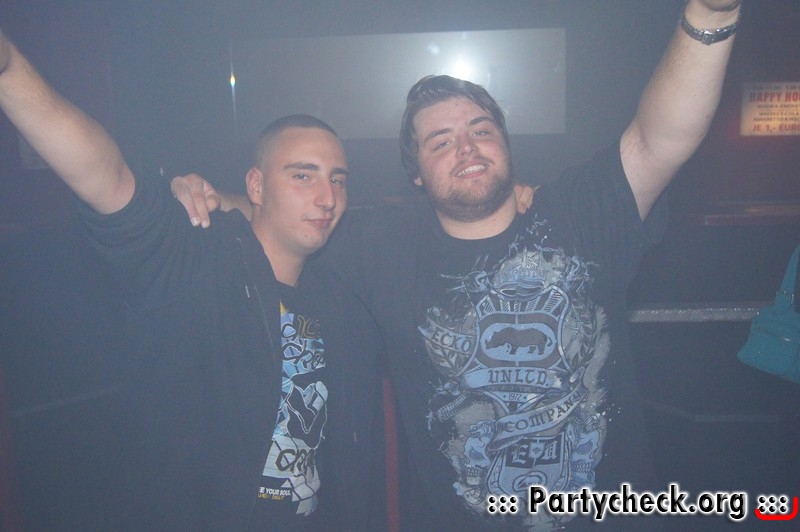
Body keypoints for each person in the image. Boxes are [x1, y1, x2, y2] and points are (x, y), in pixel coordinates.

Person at [177, 1, 743, 529]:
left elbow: (660, 138)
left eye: (480, 130)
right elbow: (294, 215)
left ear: (506, 144)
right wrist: (209, 199)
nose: (466, 147)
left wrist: (710, 12)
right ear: (416, 174)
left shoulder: (578, 215)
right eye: (441, 142)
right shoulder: (383, 248)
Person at [0, 30, 385, 530]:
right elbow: (105, 176)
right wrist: (11, 70)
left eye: (337, 179)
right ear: (256, 184)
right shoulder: (195, 258)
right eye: (302, 175)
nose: (327, 196)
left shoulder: (339, 297)